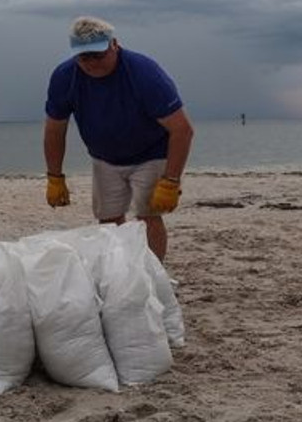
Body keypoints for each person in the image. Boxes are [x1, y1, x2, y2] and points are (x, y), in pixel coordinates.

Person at [43, 16, 193, 262]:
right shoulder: (65, 77)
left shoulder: (144, 73)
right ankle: (119, 273)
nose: (92, 64)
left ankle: (152, 274)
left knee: (148, 216)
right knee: (108, 220)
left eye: (98, 55)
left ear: (114, 45)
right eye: (84, 57)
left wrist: (170, 181)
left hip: (151, 152)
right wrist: (54, 177)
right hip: (104, 158)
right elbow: (54, 129)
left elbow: (182, 129)